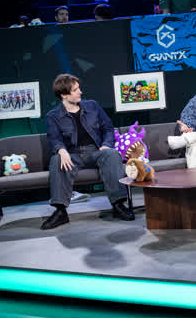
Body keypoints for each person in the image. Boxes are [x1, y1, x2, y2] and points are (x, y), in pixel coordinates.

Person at [42, 74, 134, 230]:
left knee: (112, 154)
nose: (81, 92)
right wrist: (61, 150)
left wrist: (106, 144)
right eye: (75, 90)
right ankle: (60, 212)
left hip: (95, 151)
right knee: (57, 159)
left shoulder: (92, 106)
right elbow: (54, 138)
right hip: (72, 154)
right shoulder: (53, 116)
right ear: (64, 95)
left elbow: (108, 128)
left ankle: (118, 205)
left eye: (79, 88)